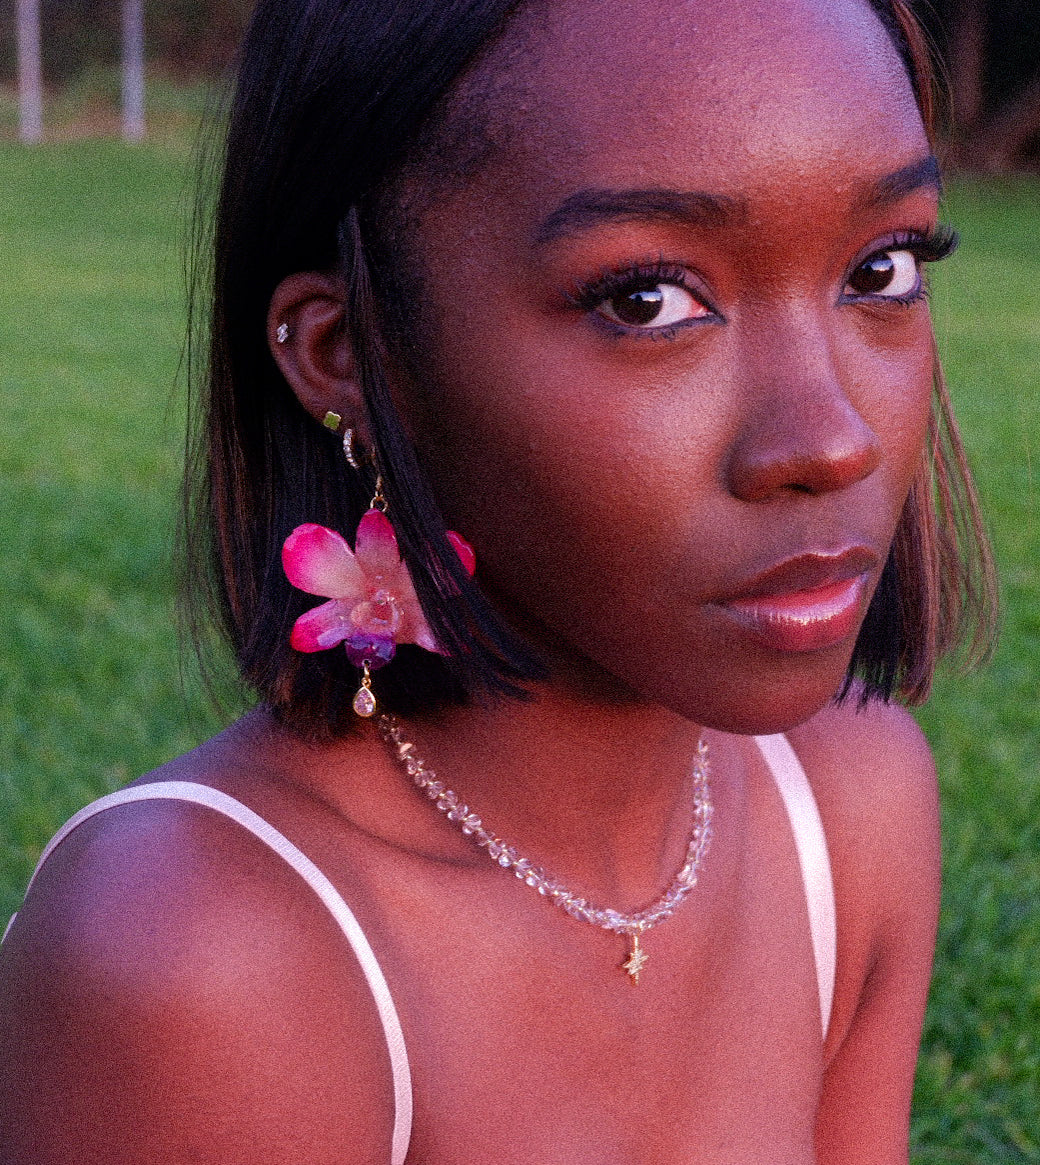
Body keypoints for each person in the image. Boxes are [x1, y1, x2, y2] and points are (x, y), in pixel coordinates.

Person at [0, 0, 995, 1161]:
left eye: (878, 268)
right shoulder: (200, 954)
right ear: (346, 353)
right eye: (644, 301)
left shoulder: (848, 805)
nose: (828, 441)